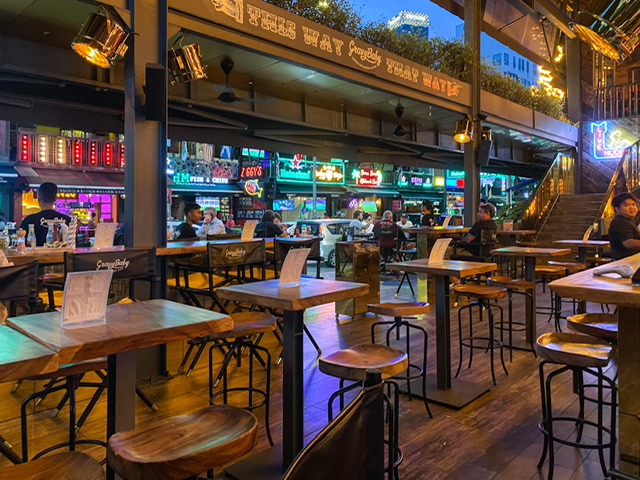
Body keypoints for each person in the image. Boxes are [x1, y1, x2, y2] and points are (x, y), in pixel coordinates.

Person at [20, 182, 71, 246]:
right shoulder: (67, 220)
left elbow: (21, 245)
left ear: (39, 197)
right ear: (55, 198)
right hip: (63, 255)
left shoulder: (29, 221)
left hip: (35, 255)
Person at [608, 192, 640, 260]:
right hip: (626, 263)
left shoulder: (628, 221)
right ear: (617, 209)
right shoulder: (620, 222)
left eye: (633, 204)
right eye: (626, 205)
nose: (631, 208)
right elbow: (628, 243)